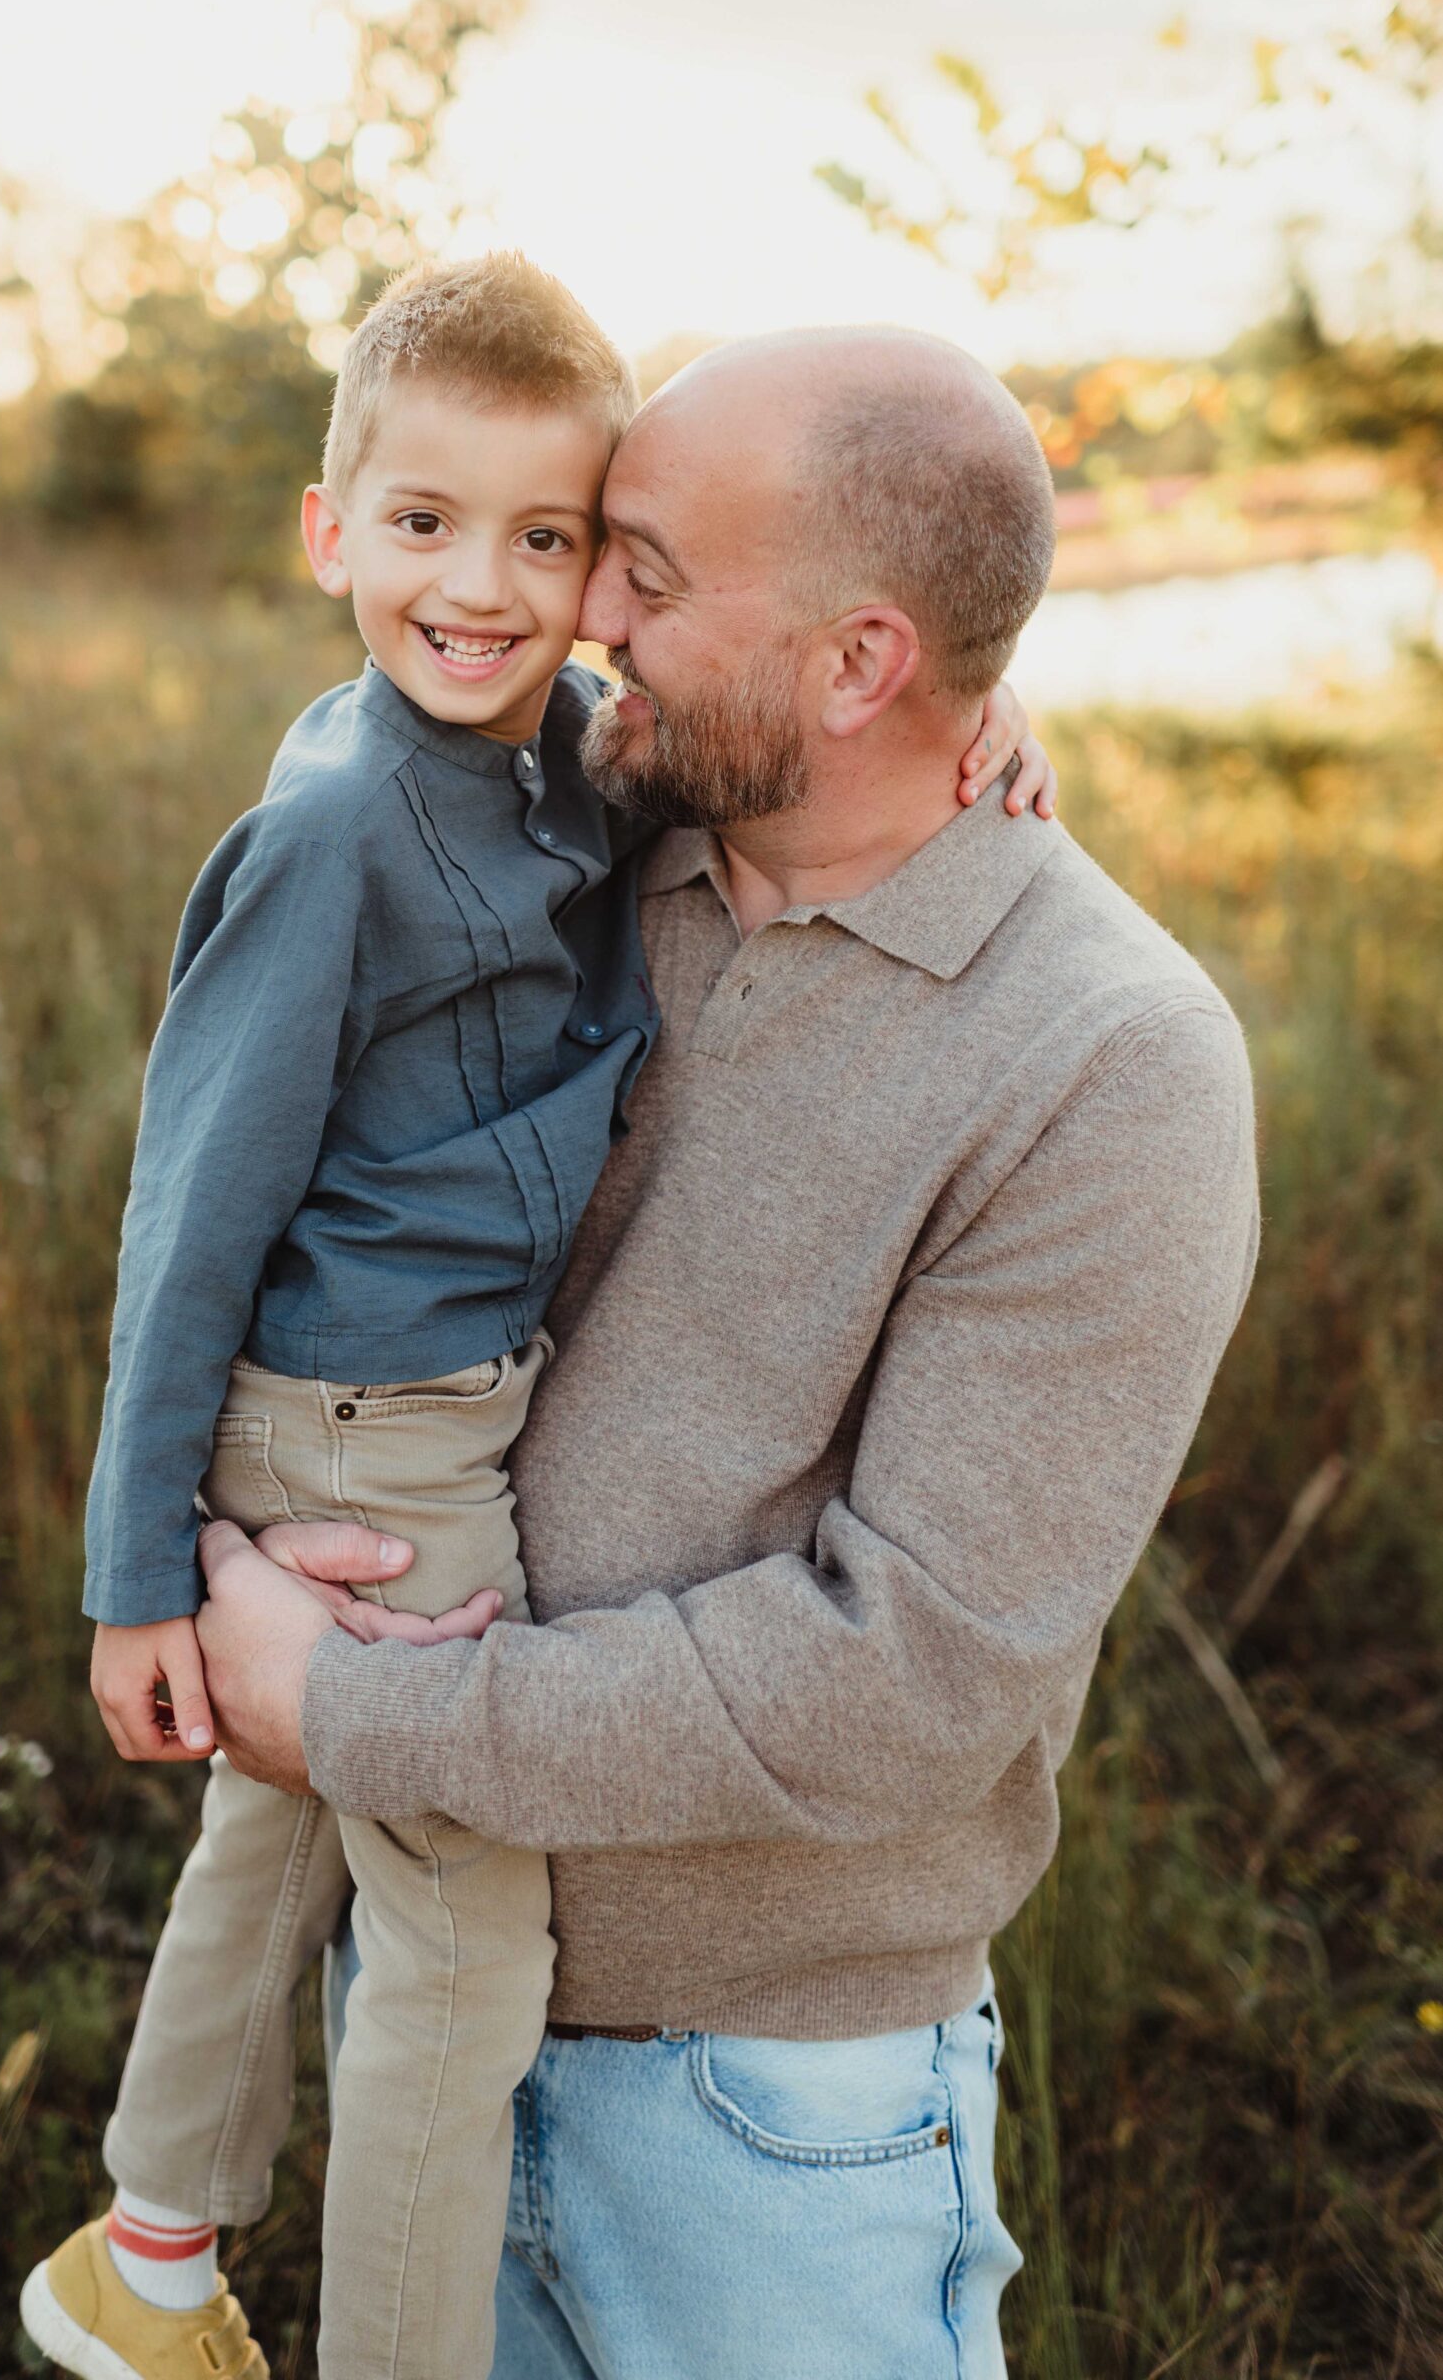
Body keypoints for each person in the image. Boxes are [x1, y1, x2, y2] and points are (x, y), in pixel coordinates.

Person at [194, 326, 1262, 2380]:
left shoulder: (1111, 1061)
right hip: (420, 1979)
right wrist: (217, 1559)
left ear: (861, 666)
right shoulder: (590, 827)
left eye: (648, 575)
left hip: (760, 2120)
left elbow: (912, 1674)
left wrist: (346, 1707)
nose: (587, 615)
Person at [19, 265, 1052, 2380]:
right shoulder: (332, 826)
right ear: (325, 533)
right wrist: (147, 1576)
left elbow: (833, 713)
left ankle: (146, 2243)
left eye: (565, 543)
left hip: (395, 1416)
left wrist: (987, 709)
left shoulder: (568, 770)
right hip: (376, 1426)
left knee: (279, 1825)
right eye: (419, 525)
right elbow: (183, 1220)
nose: (505, 594)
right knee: (458, 1951)